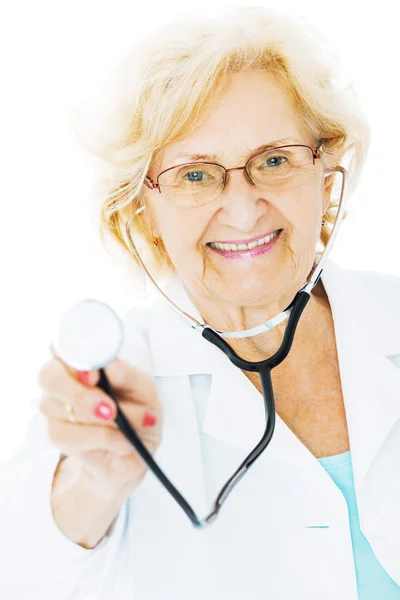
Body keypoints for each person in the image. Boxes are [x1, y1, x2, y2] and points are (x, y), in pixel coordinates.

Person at [1, 6, 400, 600]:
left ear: (325, 170)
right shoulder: (113, 387)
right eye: (195, 175)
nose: (243, 209)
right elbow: (29, 568)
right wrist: (96, 483)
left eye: (274, 160)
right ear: (143, 208)